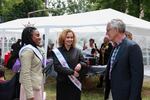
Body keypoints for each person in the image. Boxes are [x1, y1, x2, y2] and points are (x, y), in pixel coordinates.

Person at [104, 19, 143, 100]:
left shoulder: (132, 47)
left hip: (125, 95)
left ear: (116, 30)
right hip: (112, 93)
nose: (106, 33)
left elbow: (137, 78)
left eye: (108, 30)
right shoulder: (115, 47)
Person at [52, 29, 87, 100]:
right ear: (63, 38)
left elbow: (85, 63)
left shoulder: (77, 51)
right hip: (62, 83)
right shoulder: (57, 51)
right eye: (67, 37)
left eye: (71, 37)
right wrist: (72, 72)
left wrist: (80, 64)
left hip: (75, 83)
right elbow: (57, 67)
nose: (70, 39)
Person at [19, 27, 44, 100]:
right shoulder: (27, 51)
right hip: (30, 89)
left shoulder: (35, 48)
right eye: (37, 35)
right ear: (30, 37)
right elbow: (25, 73)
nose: (39, 38)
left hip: (36, 86)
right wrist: (29, 95)